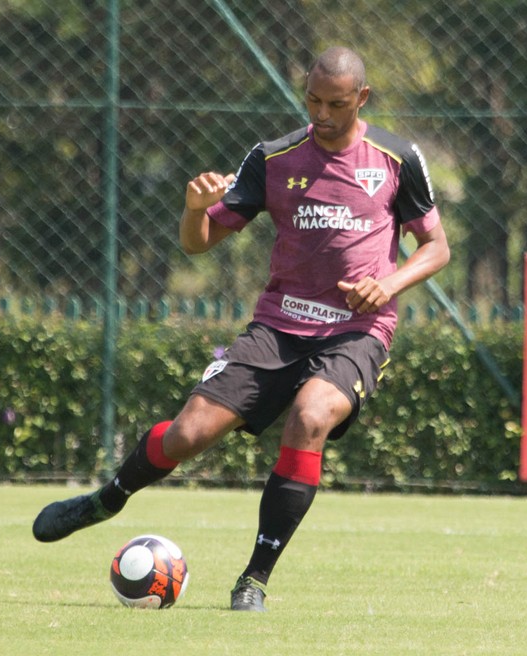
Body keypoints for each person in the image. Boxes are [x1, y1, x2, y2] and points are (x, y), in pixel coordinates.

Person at [32, 46, 450, 612]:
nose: (322, 114)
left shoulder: (398, 157)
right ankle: (106, 500)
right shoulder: (274, 158)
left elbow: (436, 247)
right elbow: (197, 243)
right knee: (188, 436)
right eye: (313, 100)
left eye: (336, 104)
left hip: (357, 331)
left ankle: (253, 579)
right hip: (277, 328)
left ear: (362, 98)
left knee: (310, 415)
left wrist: (390, 284)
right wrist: (192, 208)